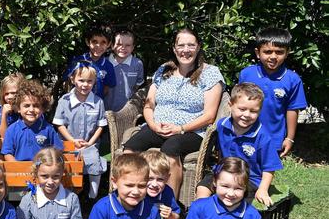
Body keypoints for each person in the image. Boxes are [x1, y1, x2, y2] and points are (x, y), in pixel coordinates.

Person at [123, 28, 224, 198]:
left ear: (198, 47)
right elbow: (148, 106)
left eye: (191, 45)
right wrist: (154, 125)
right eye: (181, 45)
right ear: (174, 48)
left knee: (170, 148)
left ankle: (170, 204)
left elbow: (209, 116)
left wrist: (180, 128)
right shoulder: (164, 70)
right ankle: (129, 197)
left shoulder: (210, 73)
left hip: (191, 131)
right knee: (130, 148)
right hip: (158, 127)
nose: (186, 50)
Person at [196, 83, 283, 206]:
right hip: (223, 172)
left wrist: (263, 189)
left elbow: (269, 167)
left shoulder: (262, 136)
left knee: (232, 200)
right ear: (230, 106)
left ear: (260, 111)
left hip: (249, 179)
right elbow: (220, 151)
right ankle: (202, 216)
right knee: (202, 189)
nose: (247, 115)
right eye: (242, 109)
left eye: (253, 111)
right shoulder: (222, 125)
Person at [238, 27, 307, 158]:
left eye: (279, 52)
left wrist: (290, 138)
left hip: (273, 139)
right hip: (244, 134)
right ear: (258, 53)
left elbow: (292, 109)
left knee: (266, 174)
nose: (273, 57)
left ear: (287, 53)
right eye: (268, 52)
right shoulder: (246, 74)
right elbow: (238, 104)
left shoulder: (293, 79)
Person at [53, 63, 107, 198]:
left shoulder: (98, 102)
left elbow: (100, 126)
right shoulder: (64, 101)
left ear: (94, 82)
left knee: (94, 162)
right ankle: (69, 195)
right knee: (68, 167)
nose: (85, 84)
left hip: (89, 143)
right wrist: (72, 141)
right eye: (81, 80)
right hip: (68, 144)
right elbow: (59, 125)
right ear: (73, 80)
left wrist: (90, 143)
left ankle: (92, 196)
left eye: (89, 81)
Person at [2, 79, 63, 161]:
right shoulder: (12, 130)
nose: (31, 110)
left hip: (42, 171)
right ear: (18, 108)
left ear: (43, 109)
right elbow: (7, 154)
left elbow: (58, 150)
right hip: (19, 171)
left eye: (36, 106)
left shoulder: (48, 129)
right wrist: (18, 167)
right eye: (26, 106)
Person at [63, 23, 116, 100]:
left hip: (95, 106)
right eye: (94, 42)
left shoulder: (108, 66)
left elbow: (107, 88)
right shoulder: (77, 61)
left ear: (109, 44)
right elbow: (67, 82)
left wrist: (96, 99)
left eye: (103, 42)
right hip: (76, 103)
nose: (98, 46)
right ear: (88, 42)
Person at [140, 150, 182, 219]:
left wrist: (170, 215)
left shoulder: (167, 192)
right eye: (149, 179)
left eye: (160, 179)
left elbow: (177, 215)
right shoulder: (137, 192)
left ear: (167, 178)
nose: (154, 184)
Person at [107, 30, 145, 112]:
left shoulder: (138, 64)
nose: (123, 48)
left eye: (127, 45)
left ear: (133, 47)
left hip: (128, 111)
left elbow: (137, 86)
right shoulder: (105, 63)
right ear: (112, 45)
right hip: (106, 110)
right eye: (119, 44)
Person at [0, 72, 25, 137]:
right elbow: (3, 135)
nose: (9, 97)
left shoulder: (29, 108)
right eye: (6, 94)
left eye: (13, 93)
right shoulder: (2, 109)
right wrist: (4, 115)